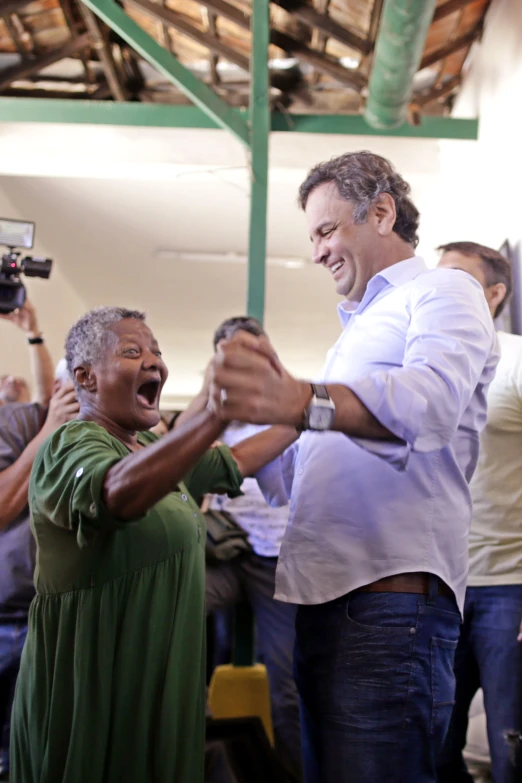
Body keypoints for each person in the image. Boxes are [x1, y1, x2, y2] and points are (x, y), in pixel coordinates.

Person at [206, 151, 500, 783]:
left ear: (382, 212)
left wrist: (300, 399)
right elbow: (304, 473)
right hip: (332, 600)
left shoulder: (445, 289)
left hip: (389, 605)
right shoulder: (356, 333)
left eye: (325, 230)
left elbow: (430, 402)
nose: (316, 253)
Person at [9, 306, 298, 783]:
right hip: (98, 690)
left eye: (157, 352)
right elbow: (115, 493)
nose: (154, 362)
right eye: (132, 351)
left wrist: (302, 410)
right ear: (86, 377)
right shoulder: (69, 443)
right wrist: (214, 415)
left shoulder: (149, 452)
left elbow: (238, 461)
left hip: (160, 690)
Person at [178, 316, 302, 783]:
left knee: (286, 687)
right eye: (236, 354)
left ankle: (292, 776)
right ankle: (195, 739)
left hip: (278, 564)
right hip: (227, 554)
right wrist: (213, 391)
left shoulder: (289, 411)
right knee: (168, 603)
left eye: (258, 351)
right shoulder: (215, 417)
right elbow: (170, 446)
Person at [436, 241, 522, 783]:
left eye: (460, 280)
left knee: (510, 748)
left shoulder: (516, 360)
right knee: (433, 747)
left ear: (495, 294)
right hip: (440, 586)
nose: (443, 292)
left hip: (509, 586)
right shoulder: (422, 363)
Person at [0, 362, 79, 781]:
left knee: (33, 752)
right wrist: (49, 428)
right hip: (6, 612)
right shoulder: (19, 421)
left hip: (53, 621)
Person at [0, 299, 55, 407]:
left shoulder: (33, 420)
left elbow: (45, 395)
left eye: (22, 384)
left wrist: (32, 332)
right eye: (3, 381)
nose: (12, 380)